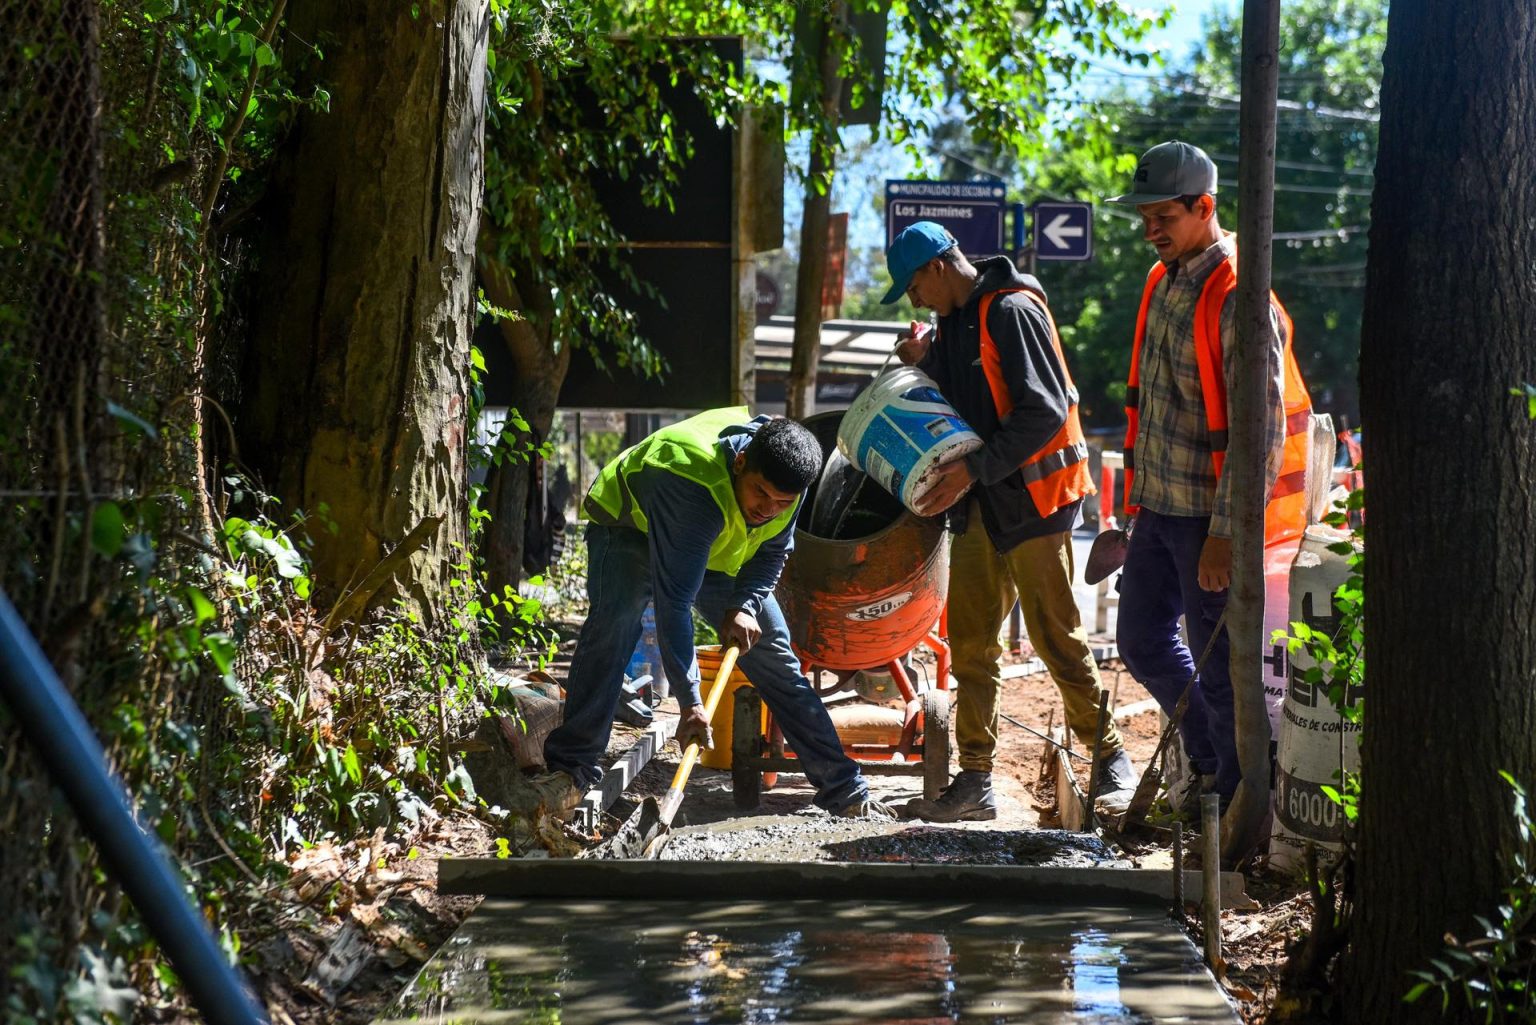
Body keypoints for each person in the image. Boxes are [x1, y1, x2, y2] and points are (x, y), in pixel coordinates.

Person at [878, 221, 1138, 822]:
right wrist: (924, 362)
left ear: (941, 266)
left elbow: (1043, 410)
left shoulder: (1013, 309)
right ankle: (975, 780)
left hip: (1034, 504)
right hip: (978, 508)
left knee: (1058, 638)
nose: (914, 299)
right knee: (971, 647)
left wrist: (975, 471)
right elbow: (962, 405)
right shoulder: (951, 324)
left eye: (914, 285)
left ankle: (1109, 758)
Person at [537, 408, 897, 820]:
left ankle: (844, 789)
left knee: (776, 658)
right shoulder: (694, 483)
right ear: (740, 463)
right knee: (614, 630)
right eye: (760, 493)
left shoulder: (786, 482)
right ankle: (571, 769)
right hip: (631, 528)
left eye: (782, 502)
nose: (768, 509)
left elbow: (773, 552)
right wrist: (691, 703)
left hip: (712, 550)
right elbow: (674, 604)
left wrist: (744, 605)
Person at [1106, 141, 1312, 817]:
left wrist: (1227, 533)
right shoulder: (1161, 281)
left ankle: (1236, 803)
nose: (1150, 229)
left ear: (1205, 207)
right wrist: (1131, 509)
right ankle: (1206, 760)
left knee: (1222, 667)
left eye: (1162, 215)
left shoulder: (1239, 297)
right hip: (1160, 508)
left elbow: (1261, 432)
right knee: (1138, 637)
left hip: (1208, 518)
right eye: (1144, 216)